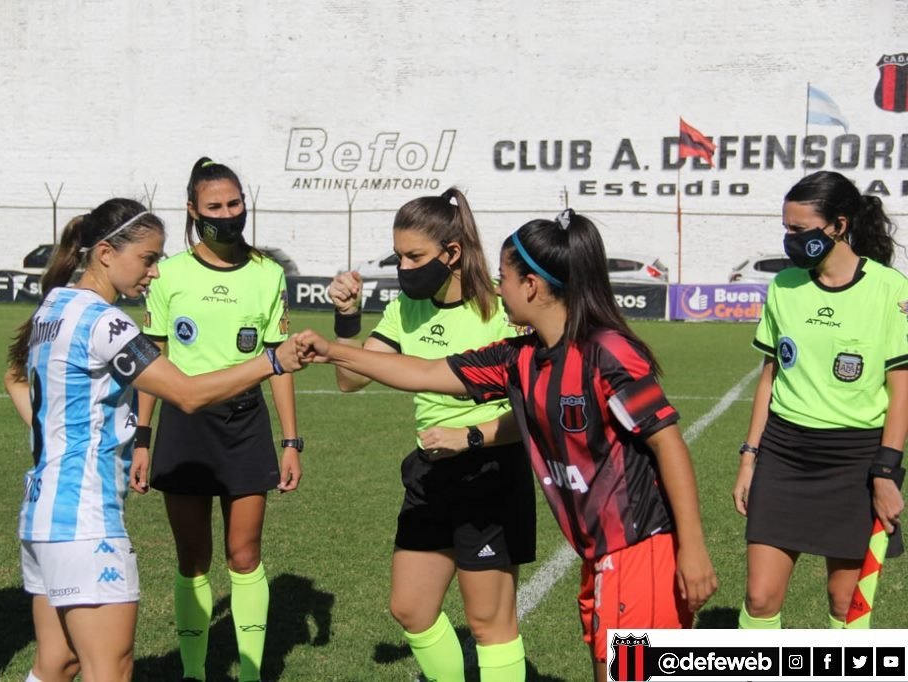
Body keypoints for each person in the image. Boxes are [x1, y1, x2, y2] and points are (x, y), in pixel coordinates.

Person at [295, 209, 717, 682]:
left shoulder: (607, 353)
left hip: (640, 550)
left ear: (531, 286)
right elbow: (425, 372)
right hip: (600, 553)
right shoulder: (520, 358)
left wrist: (692, 549)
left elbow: (668, 445)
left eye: (504, 278)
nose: (498, 288)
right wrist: (332, 350)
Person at [4, 198, 303, 682]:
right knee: (110, 669)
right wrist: (272, 361)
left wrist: (61, 435)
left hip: (41, 514)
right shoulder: (105, 322)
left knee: (57, 664)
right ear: (105, 253)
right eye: (147, 259)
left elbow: (15, 379)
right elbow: (186, 393)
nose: (155, 272)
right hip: (85, 519)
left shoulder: (54, 307)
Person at [327, 187, 535, 682]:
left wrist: (471, 437)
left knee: (489, 622)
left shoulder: (502, 308)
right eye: (398, 256)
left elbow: (534, 409)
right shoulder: (406, 308)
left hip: (490, 471)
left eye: (415, 257)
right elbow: (350, 379)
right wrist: (347, 317)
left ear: (452, 253)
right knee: (411, 608)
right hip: (430, 472)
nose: (404, 267)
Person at [135, 157, 300, 682]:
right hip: (184, 427)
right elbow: (152, 360)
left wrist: (291, 441)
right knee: (192, 558)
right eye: (215, 206)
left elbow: (278, 364)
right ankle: (193, 672)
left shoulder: (268, 274)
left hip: (245, 423)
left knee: (244, 555)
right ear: (192, 210)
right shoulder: (169, 274)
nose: (227, 214)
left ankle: (249, 675)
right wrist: (142, 438)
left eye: (235, 204)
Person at [732, 170, 908, 630]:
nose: (790, 239)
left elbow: (901, 389)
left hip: (855, 460)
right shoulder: (784, 286)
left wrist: (886, 472)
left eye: (800, 229)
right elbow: (770, 376)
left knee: (845, 602)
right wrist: (750, 458)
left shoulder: (891, 289)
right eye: (786, 229)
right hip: (784, 454)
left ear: (839, 225)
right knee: (760, 597)